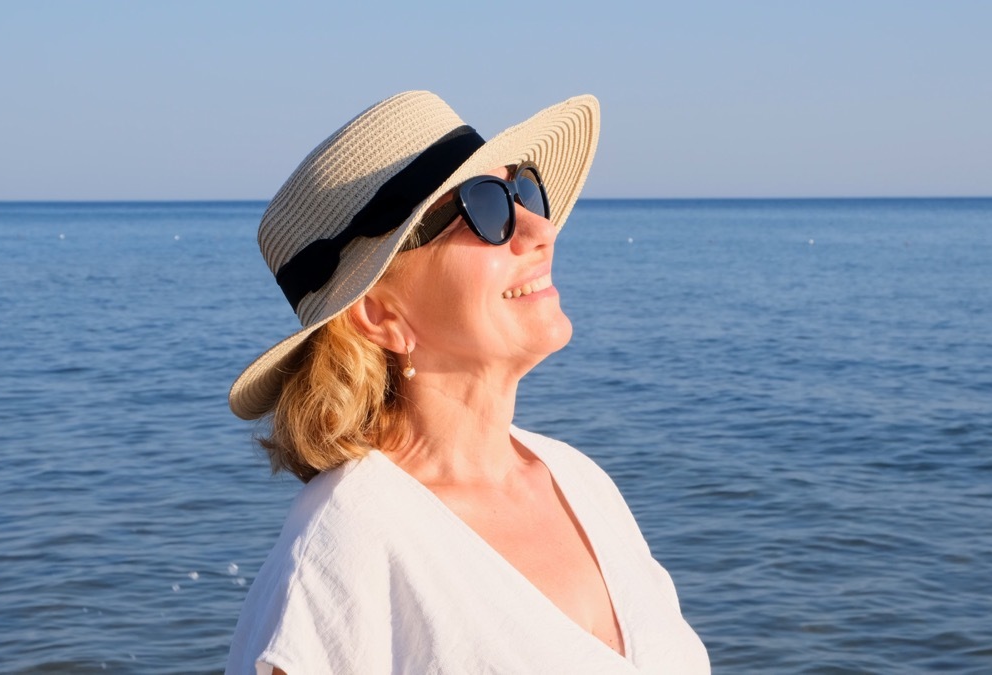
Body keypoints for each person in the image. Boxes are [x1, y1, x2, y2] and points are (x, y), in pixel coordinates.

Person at [225, 91, 710, 674]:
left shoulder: (580, 482)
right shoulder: (346, 546)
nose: (540, 229)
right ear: (380, 315)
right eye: (486, 207)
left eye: (524, 189)